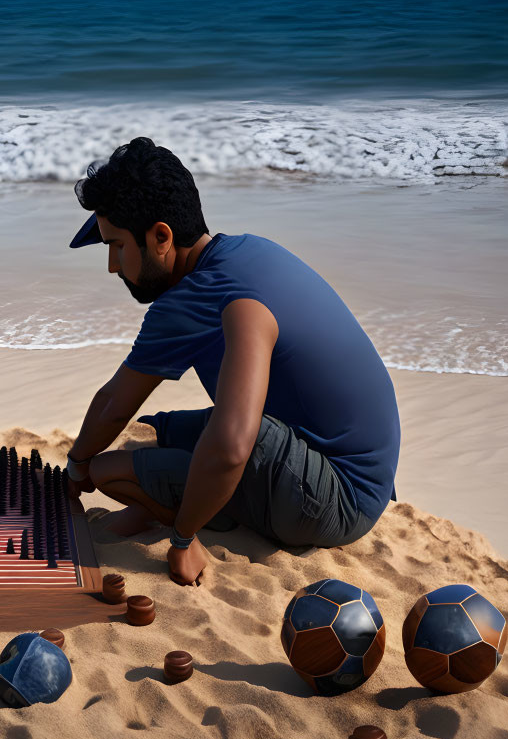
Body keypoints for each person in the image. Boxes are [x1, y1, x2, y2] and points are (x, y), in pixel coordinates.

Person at [64, 138, 400, 587]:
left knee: (108, 469)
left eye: (117, 246)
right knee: (162, 429)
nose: (111, 266)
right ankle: (168, 504)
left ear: (161, 237)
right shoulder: (246, 252)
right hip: (365, 471)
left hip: (339, 499)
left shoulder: (197, 297)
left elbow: (117, 406)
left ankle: (180, 519)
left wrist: (177, 536)